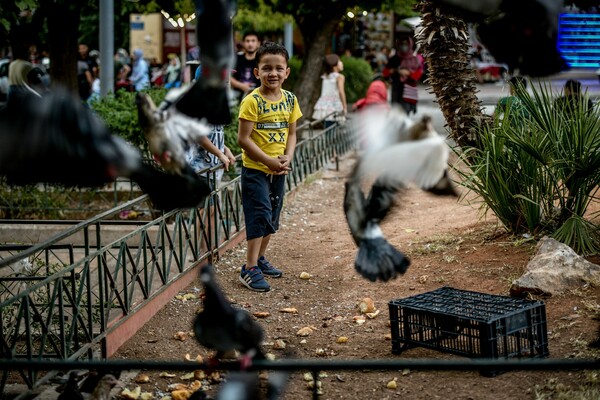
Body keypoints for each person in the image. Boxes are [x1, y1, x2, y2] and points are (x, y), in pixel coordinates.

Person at [237, 41, 302, 292]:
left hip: (279, 170)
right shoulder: (252, 101)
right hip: (256, 169)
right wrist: (268, 161)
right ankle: (249, 268)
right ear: (257, 73)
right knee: (259, 213)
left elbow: (292, 133)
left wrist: (288, 156)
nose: (272, 73)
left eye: (278, 68)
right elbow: (243, 139)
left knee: (272, 215)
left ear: (287, 72)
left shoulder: (290, 100)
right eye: (266, 68)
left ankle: (260, 259)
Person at [384, 35, 423, 115]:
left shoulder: (414, 59)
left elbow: (419, 73)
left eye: (406, 44)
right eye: (402, 44)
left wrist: (409, 73)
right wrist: (395, 71)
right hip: (397, 89)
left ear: (410, 45)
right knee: (396, 111)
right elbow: (385, 72)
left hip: (409, 88)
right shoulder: (394, 58)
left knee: (406, 112)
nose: (404, 46)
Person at [312, 54, 347, 129]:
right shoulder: (339, 77)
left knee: (328, 127)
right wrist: (344, 106)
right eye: (340, 61)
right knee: (336, 128)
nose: (342, 63)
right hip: (335, 105)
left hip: (325, 105)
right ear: (335, 65)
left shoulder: (325, 76)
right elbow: (341, 92)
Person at [230, 31, 261, 103]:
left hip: (258, 95)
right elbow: (228, 76)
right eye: (247, 41)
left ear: (258, 43)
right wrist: (242, 86)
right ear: (243, 43)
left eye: (253, 41)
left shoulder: (261, 60)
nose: (250, 44)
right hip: (236, 94)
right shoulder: (236, 58)